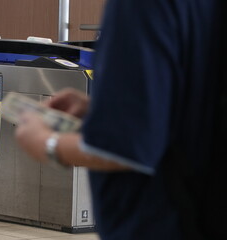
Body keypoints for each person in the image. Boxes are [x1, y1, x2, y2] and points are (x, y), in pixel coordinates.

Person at [15, 0, 224, 239]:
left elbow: (126, 145)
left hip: (164, 219)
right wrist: (105, 110)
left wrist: (46, 142)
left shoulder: (143, 7)